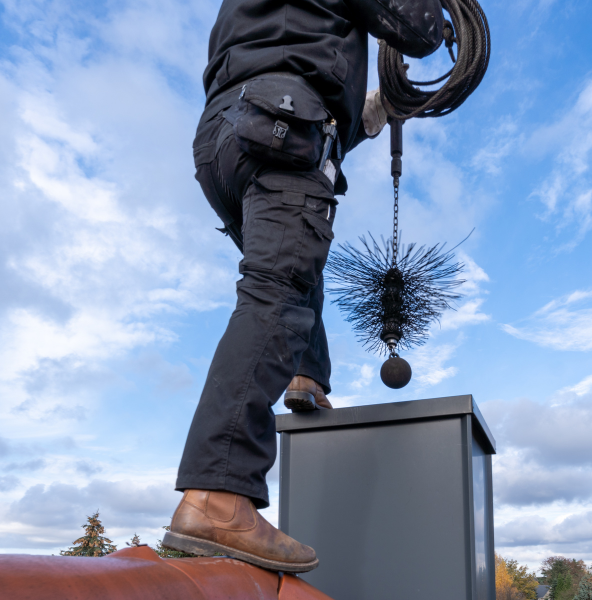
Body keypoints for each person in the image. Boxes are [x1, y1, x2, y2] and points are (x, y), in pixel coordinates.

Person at [163, 0, 445, 573]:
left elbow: (290, 61)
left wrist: (370, 111)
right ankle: (217, 495)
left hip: (226, 138)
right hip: (279, 125)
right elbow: (417, 28)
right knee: (278, 292)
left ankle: (306, 376)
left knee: (292, 269)